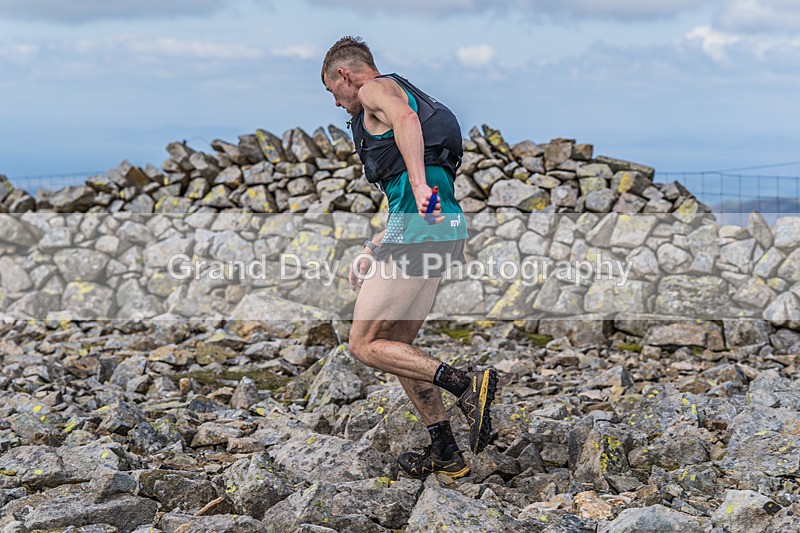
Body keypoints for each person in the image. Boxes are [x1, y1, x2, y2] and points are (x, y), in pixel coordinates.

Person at [321, 36, 498, 479]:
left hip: (423, 224)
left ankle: (466, 384)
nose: (339, 105)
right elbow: (409, 197)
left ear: (345, 75)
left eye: (332, 93)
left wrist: (419, 185)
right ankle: (445, 451)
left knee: (363, 345)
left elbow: (405, 124)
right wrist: (371, 248)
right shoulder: (406, 93)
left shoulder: (373, 90)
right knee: (396, 344)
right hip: (440, 227)